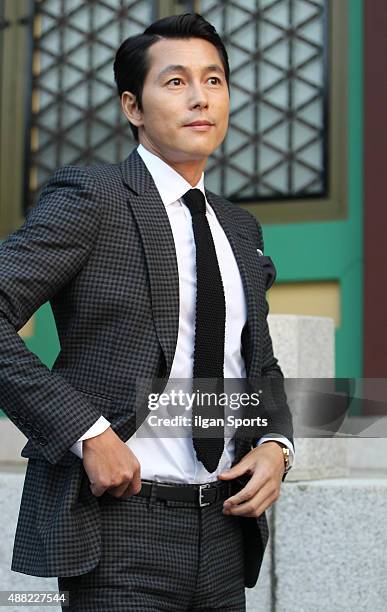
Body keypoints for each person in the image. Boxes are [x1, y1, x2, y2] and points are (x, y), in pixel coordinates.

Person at [0, 13, 294, 612]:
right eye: (177, 81)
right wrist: (86, 432)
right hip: (120, 529)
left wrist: (276, 442)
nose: (200, 99)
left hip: (223, 531)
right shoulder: (93, 198)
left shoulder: (239, 227)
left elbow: (254, 358)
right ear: (133, 107)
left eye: (214, 81)